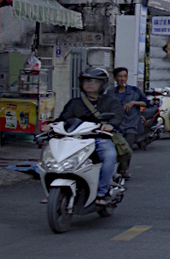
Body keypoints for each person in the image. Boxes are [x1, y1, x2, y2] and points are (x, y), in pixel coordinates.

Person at [54, 68, 128, 203]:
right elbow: (63, 119)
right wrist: (51, 126)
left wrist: (110, 125)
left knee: (109, 156)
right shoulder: (74, 103)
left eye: (95, 81)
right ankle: (54, 191)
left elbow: (118, 116)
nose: (90, 84)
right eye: (87, 81)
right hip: (76, 139)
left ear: (102, 84)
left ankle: (102, 192)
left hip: (100, 138)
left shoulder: (111, 101)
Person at [113, 66, 152, 149]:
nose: (123, 79)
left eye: (125, 76)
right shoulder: (111, 92)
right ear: (115, 78)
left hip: (131, 126)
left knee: (126, 149)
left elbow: (147, 103)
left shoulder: (135, 91)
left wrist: (133, 103)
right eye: (120, 76)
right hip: (117, 126)